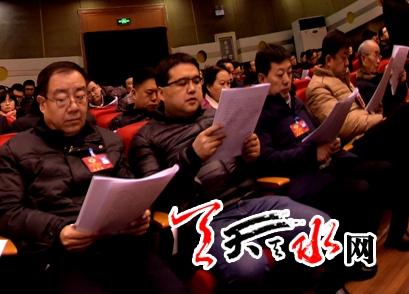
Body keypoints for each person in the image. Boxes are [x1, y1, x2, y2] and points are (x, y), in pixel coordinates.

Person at [130, 53, 335, 293]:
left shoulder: (218, 116)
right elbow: (157, 196)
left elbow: (254, 167)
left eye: (195, 80)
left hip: (252, 201)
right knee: (249, 268)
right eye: (182, 83)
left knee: (322, 226)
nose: (192, 89)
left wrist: (251, 157)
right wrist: (192, 157)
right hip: (205, 219)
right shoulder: (146, 138)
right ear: (161, 92)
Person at [0, 61, 184, 294]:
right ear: (42, 104)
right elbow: (6, 212)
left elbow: (130, 190)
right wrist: (59, 231)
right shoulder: (16, 150)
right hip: (60, 255)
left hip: (122, 248)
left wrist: (142, 215)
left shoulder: (109, 141)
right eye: (62, 99)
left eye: (80, 97)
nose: (74, 107)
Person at [253, 45, 387, 283]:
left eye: (289, 72)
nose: (287, 80)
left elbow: (315, 132)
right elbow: (268, 160)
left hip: (327, 163)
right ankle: (348, 263)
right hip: (299, 179)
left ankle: (359, 255)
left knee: (381, 172)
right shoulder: (258, 114)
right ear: (262, 78)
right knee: (359, 190)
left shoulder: (295, 102)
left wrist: (331, 141)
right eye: (279, 74)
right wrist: (311, 154)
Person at [304, 29, 409, 250]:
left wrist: (375, 113)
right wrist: (380, 120)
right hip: (349, 148)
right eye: (344, 57)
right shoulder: (318, 87)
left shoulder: (342, 80)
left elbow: (359, 114)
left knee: (403, 152)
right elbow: (344, 125)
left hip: (363, 138)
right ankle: (396, 230)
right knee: (406, 116)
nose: (348, 63)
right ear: (328, 59)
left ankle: (398, 229)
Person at [355, 38, 407, 114]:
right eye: (375, 55)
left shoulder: (379, 75)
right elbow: (385, 105)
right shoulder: (361, 86)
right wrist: (386, 79)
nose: (378, 61)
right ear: (364, 59)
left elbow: (400, 97)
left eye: (379, 56)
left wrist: (401, 83)